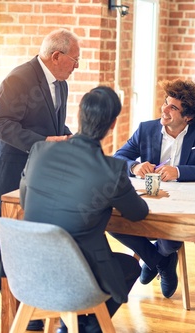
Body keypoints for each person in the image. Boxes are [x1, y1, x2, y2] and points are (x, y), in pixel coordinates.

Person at [20, 86, 149, 333]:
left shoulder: (39, 150)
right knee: (131, 267)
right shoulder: (111, 170)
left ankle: (74, 325)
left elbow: (25, 203)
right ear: (112, 124)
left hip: (28, 267)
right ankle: (87, 326)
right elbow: (137, 214)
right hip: (76, 276)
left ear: (79, 115)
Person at [0, 28, 80, 331]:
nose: (77, 65)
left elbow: (51, 123)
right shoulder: (18, 79)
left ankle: (34, 305)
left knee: (36, 243)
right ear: (57, 56)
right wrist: (42, 143)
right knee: (11, 247)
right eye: (75, 60)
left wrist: (69, 137)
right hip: (10, 174)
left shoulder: (59, 83)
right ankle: (15, 312)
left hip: (39, 177)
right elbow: (0, 124)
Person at [110, 78, 195, 299]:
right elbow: (118, 157)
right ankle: (161, 260)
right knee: (112, 221)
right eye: (166, 102)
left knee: (173, 234)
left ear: (188, 116)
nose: (164, 109)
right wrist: (134, 166)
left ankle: (157, 257)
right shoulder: (146, 129)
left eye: (173, 107)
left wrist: (179, 171)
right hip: (148, 200)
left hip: (182, 207)